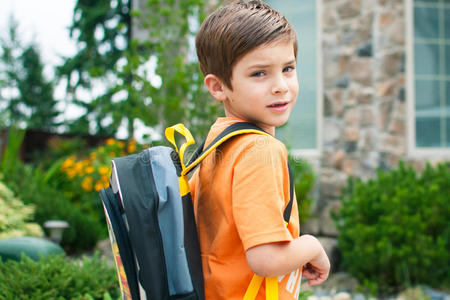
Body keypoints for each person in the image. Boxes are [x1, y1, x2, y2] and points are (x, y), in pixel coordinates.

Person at [189, 1, 330, 299]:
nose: (280, 86)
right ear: (218, 87)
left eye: (287, 68)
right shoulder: (260, 151)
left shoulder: (216, 143)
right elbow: (265, 259)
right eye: (259, 74)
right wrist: (312, 246)